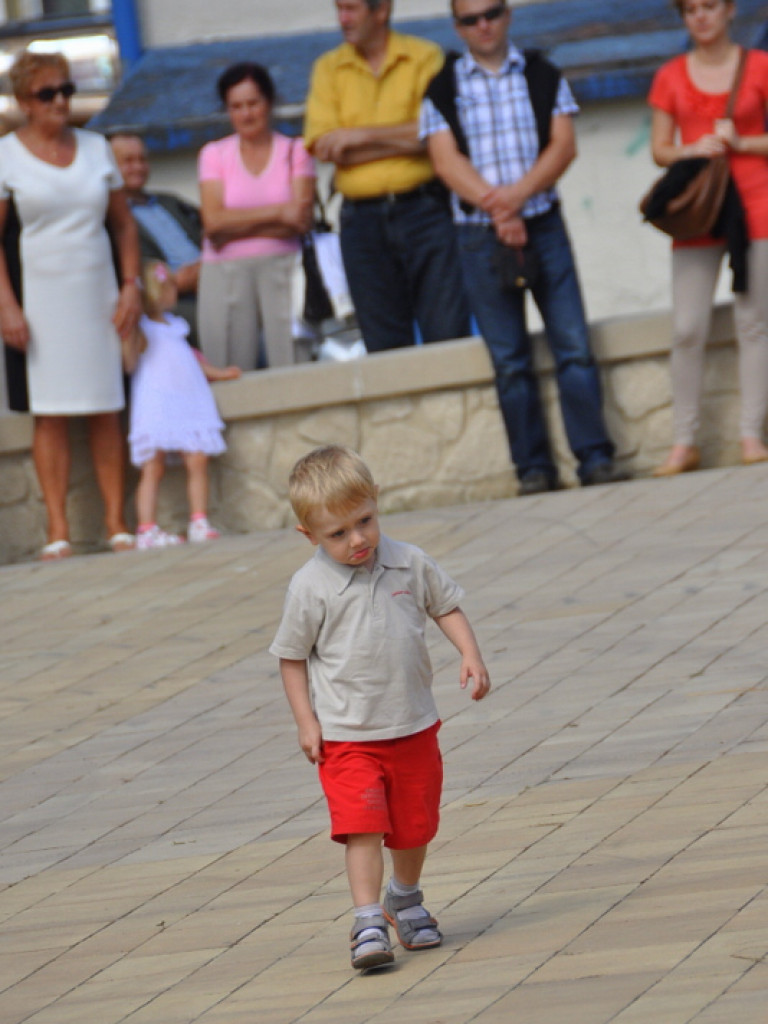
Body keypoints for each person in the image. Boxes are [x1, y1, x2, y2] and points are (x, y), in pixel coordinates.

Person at [270, 445, 491, 971]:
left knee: (414, 827)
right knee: (362, 825)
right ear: (309, 536)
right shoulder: (310, 587)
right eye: (338, 534)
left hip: (413, 726)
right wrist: (307, 722)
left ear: (376, 502)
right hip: (346, 737)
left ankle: (404, 898)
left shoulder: (408, 561)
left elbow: (446, 606)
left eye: (364, 521)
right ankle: (367, 919)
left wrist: (470, 654)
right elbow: (292, 659)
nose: (357, 540)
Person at [420, 0, 628, 494]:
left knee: (573, 345)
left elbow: (563, 145)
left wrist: (514, 199)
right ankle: (532, 469)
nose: (484, 25)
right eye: (471, 19)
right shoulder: (442, 86)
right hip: (477, 235)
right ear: (458, 27)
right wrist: (498, 210)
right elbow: (445, 163)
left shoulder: (541, 73)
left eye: (491, 13)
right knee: (509, 358)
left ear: (507, 15)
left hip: (543, 224)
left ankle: (595, 457)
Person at [0, 50, 141, 559]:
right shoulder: (5, 155)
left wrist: (131, 285)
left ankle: (116, 523)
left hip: (97, 291)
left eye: (65, 90)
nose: (60, 100)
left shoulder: (97, 147)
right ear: (22, 102)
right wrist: (6, 307)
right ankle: (57, 530)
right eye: (47, 93)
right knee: (50, 413)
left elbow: (123, 224)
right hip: (38, 298)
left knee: (106, 404)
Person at [304, 0, 471, 353]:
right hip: (361, 221)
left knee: (447, 334)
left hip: (425, 211)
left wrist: (358, 137)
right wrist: (409, 139)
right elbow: (324, 146)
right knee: (384, 345)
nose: (342, 19)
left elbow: (441, 132)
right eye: (339, 9)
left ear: (381, 11)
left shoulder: (424, 56)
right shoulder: (328, 68)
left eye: (351, 9)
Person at [648, 0, 768, 475]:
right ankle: (684, 441)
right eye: (691, 9)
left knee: (754, 322)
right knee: (687, 327)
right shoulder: (670, 76)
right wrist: (690, 148)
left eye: (710, 6)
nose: (701, 17)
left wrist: (742, 142)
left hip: (756, 205)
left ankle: (751, 434)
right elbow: (659, 150)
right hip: (700, 211)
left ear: (729, 11)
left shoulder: (758, 66)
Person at [198, 62, 315, 370]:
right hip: (224, 273)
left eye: (253, 103)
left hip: (285, 268)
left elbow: (301, 221)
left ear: (270, 103)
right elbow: (213, 223)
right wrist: (279, 213)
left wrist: (234, 224)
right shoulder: (214, 154)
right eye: (236, 106)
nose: (246, 114)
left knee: (294, 364)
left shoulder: (295, 150)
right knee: (228, 368)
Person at [129, 260, 240, 550]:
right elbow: (130, 354)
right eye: (169, 287)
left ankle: (199, 520)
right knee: (152, 466)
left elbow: (192, 363)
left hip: (187, 401)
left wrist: (220, 373)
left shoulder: (176, 327)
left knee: (197, 459)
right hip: (158, 402)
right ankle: (146, 528)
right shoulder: (142, 329)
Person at [109, 132, 203, 346]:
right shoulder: (112, 218)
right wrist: (176, 282)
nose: (138, 167)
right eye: (128, 161)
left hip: (211, 279)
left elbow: (210, 232)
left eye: (142, 159)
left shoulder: (170, 201)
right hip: (168, 302)